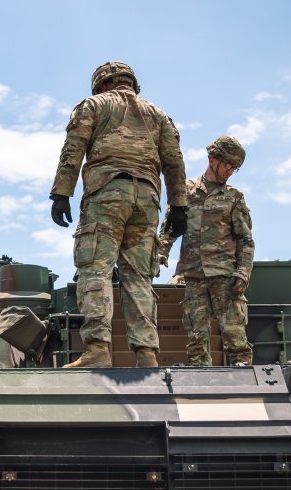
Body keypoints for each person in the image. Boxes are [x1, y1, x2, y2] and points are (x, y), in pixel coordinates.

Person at [49, 61, 188, 369]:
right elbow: (174, 162)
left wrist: (61, 192)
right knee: (139, 277)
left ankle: (98, 350)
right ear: (132, 83)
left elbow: (73, 148)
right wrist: (179, 205)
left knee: (95, 270)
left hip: (107, 192)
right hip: (148, 198)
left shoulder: (94, 105)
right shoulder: (158, 114)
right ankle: (147, 355)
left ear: (101, 85)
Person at [161, 135, 254, 366]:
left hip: (225, 277)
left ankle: (245, 389)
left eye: (235, 168)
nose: (230, 171)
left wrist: (243, 273)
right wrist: (161, 252)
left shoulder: (234, 197)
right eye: (227, 164)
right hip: (193, 277)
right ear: (212, 159)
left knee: (236, 339)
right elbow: (170, 228)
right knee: (196, 342)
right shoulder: (186, 193)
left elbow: (246, 241)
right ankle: (200, 389)